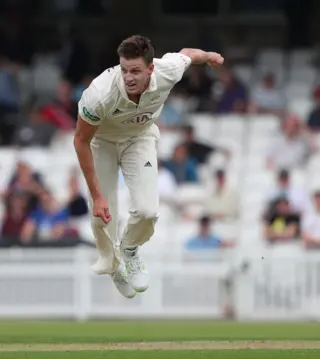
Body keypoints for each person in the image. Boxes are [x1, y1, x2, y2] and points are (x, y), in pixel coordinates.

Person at [74, 35, 223, 298]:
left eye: (135, 71)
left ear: (150, 69)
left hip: (139, 138)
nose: (129, 77)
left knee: (146, 211)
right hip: (102, 143)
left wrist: (209, 55)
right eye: (124, 70)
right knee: (102, 213)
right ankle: (112, 264)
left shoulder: (167, 71)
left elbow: (188, 52)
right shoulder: (99, 93)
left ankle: (130, 249)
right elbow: (81, 140)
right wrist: (97, 196)